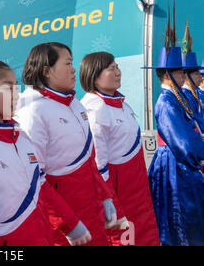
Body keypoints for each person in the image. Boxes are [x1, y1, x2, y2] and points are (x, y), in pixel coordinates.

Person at [0, 59, 89, 246]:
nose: (15, 95)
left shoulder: (21, 138)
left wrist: (71, 224)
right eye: (7, 89)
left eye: (15, 87)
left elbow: (40, 185)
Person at [16, 42, 124, 246]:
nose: (74, 69)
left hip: (92, 210)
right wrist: (68, 223)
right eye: (67, 63)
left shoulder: (75, 104)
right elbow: (33, 179)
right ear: (47, 71)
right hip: (62, 224)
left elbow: (89, 159)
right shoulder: (33, 112)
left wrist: (106, 197)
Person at [79, 52, 159, 246]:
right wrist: (111, 204)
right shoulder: (95, 109)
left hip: (138, 192)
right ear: (94, 75)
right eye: (111, 69)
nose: (118, 72)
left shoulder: (120, 103)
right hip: (120, 198)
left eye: (117, 67)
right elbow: (98, 166)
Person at [145, 42, 204, 245]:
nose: (184, 77)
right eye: (180, 73)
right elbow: (183, 141)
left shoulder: (175, 98)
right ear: (169, 75)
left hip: (179, 162)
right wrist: (199, 151)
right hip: (175, 165)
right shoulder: (167, 102)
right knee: (182, 215)